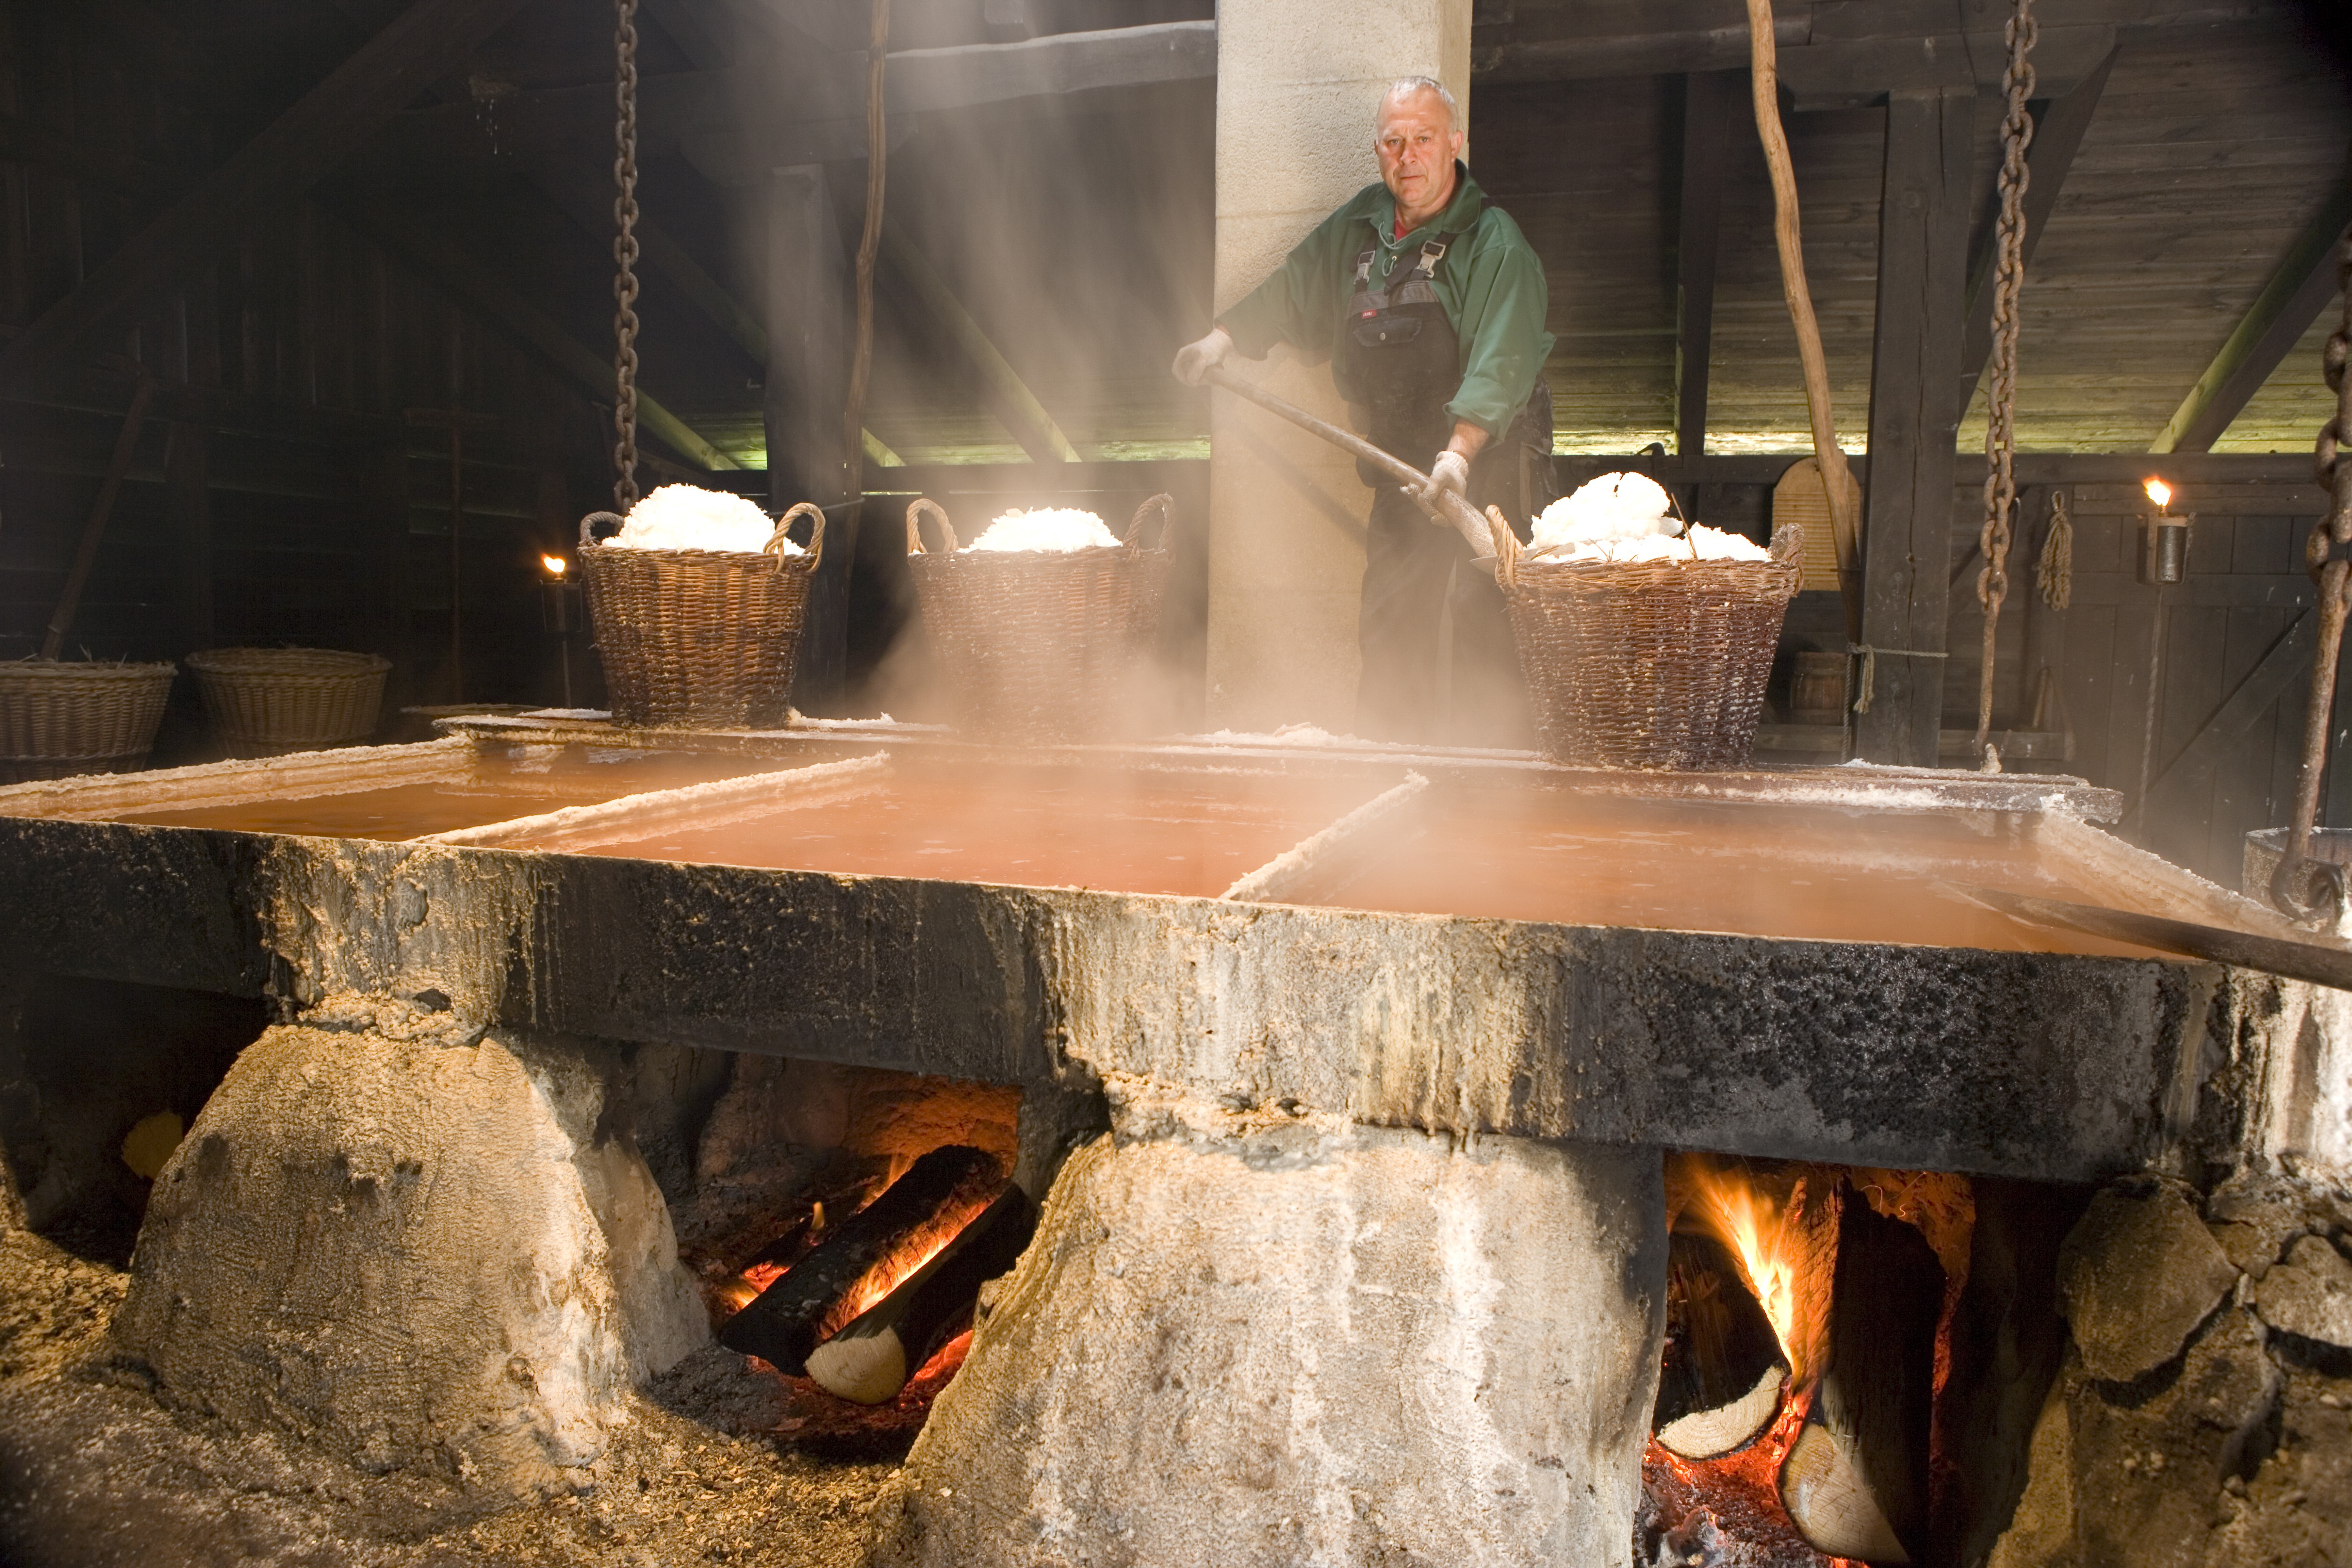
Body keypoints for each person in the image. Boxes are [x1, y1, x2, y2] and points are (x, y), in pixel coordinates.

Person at [1173, 75, 1555, 743]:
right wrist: (1222, 339)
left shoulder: (1495, 244)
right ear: (1379, 150)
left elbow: (1503, 360)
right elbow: (1295, 286)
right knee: (1392, 619)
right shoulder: (1362, 228)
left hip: (1486, 465)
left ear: (1456, 143)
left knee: (1485, 622)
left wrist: (1460, 456)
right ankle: (1390, 769)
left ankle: (1491, 792)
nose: (1408, 156)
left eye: (1424, 139)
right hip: (1403, 461)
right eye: (1394, 141)